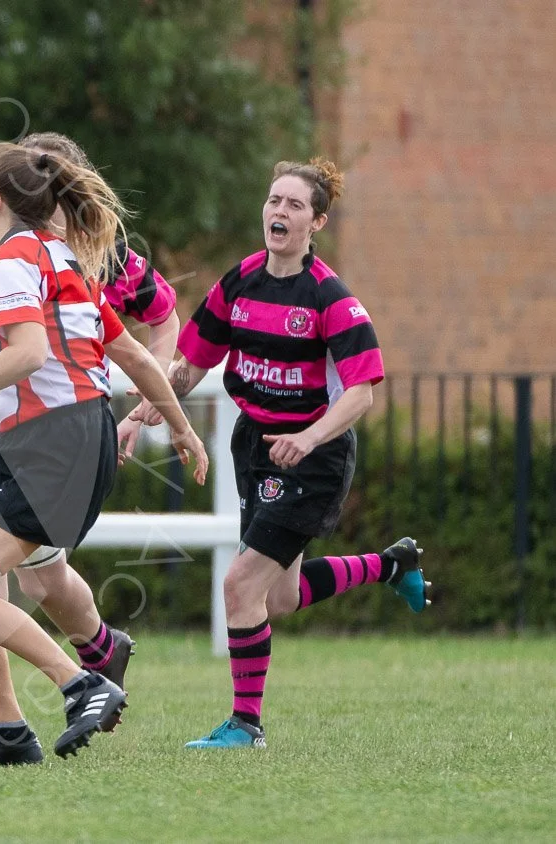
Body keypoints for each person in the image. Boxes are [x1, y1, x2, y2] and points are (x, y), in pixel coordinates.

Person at [126, 157, 431, 750]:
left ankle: (246, 725)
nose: (278, 212)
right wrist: (141, 412)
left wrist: (311, 436)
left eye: (293, 205)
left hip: (314, 458)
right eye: (273, 201)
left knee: (240, 586)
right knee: (280, 597)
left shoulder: (331, 299)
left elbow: (363, 392)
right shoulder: (239, 282)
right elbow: (189, 366)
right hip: (257, 449)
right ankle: (392, 564)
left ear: (315, 222)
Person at [0, 142, 209, 764]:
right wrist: (182, 427)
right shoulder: (62, 260)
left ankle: (81, 683)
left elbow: (26, 353)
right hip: (81, 440)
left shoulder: (8, 261)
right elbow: (132, 354)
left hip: (50, 447)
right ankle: (10, 735)